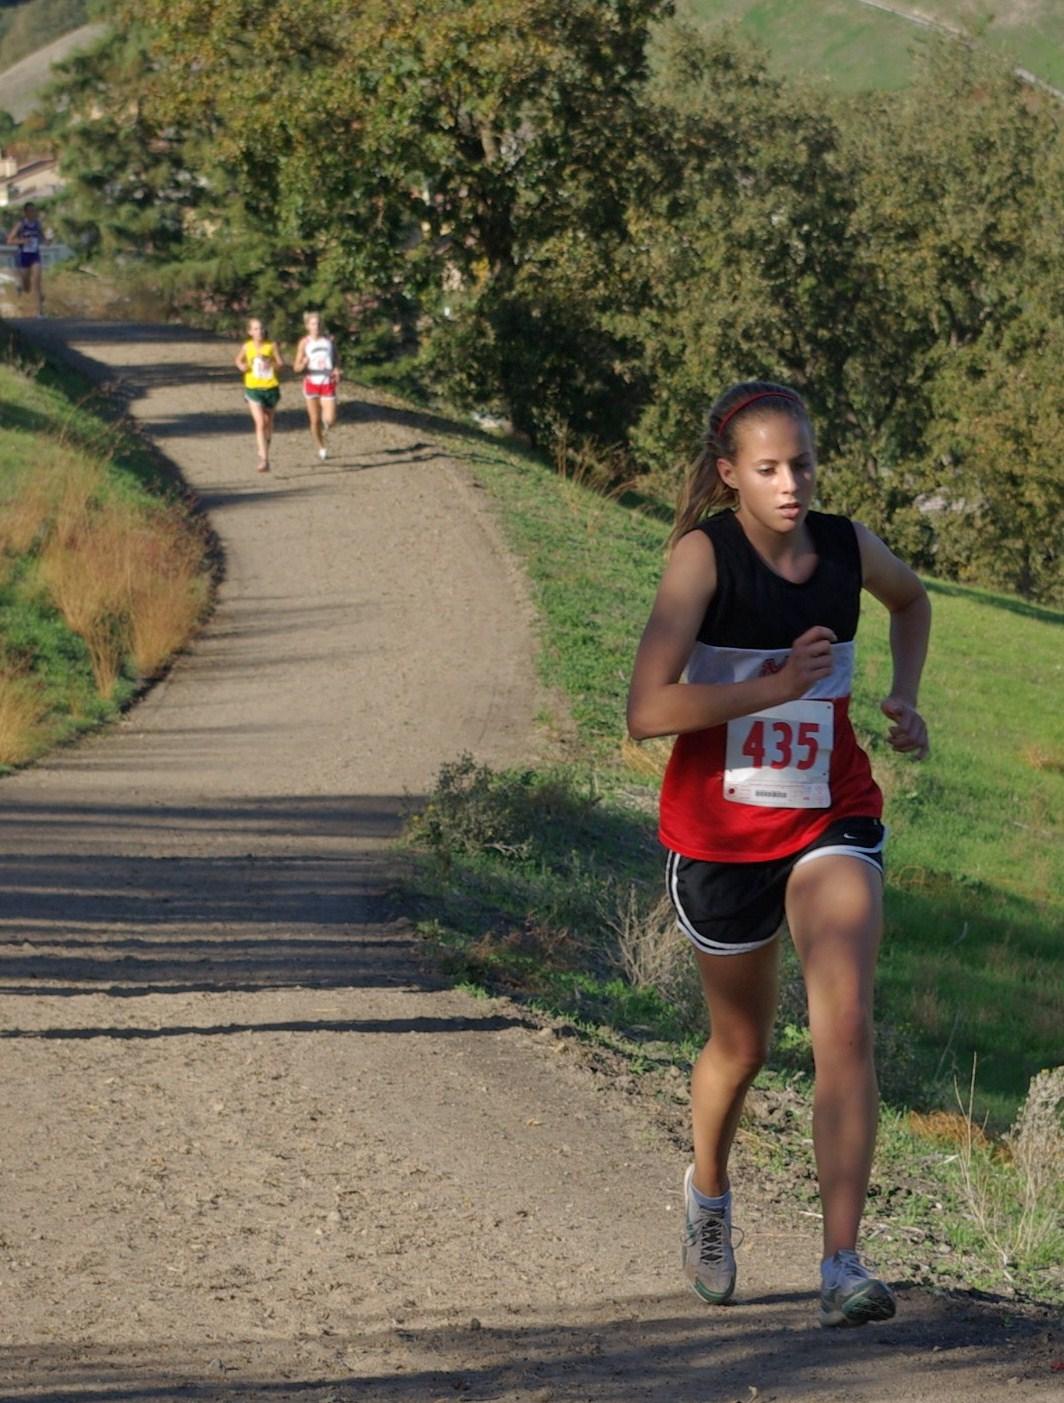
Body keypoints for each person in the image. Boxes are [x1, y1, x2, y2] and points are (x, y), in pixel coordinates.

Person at [626, 381, 930, 1328]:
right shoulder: (701, 559)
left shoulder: (844, 546)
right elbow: (645, 711)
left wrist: (902, 694)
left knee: (843, 1025)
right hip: (719, 837)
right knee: (743, 1044)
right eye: (768, 468)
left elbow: (912, 601)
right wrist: (770, 688)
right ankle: (708, 1194)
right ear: (730, 476)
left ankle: (842, 1260)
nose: (791, 482)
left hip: (827, 815)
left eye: (801, 462)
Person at [235, 317, 284, 473]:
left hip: (270, 388)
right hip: (253, 389)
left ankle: (264, 452)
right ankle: (264, 459)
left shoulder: (272, 346)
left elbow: (281, 364)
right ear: (250, 332)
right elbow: (238, 360)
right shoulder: (247, 347)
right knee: (260, 423)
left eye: (261, 328)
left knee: (268, 423)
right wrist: (243, 366)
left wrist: (272, 364)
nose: (259, 331)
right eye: (255, 329)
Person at [292, 310, 341, 461]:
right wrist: (303, 363)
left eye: (319, 323)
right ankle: (321, 446)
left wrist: (338, 370)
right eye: (313, 324)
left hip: (327, 381)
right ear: (308, 326)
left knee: (331, 419)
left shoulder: (329, 341)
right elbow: (296, 367)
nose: (316, 326)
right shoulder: (304, 343)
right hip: (311, 381)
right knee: (314, 420)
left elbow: (337, 360)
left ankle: (327, 426)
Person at [7, 202, 48, 316]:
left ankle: (40, 312)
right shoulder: (21, 224)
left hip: (35, 255)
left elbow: (43, 237)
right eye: (30, 211)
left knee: (37, 281)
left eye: (34, 211)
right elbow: (9, 240)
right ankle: (22, 286)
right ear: (25, 212)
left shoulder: (37, 224)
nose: (33, 213)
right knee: (27, 287)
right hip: (24, 255)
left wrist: (47, 241)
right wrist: (22, 241)